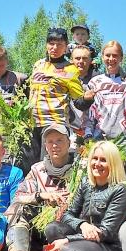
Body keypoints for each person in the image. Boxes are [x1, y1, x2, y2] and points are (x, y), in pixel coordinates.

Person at [44, 141, 126, 251]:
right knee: (52, 229)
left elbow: (105, 232)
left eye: (103, 160)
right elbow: (67, 215)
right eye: (95, 158)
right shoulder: (86, 184)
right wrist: (82, 225)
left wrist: (68, 240)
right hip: (86, 244)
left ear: (113, 163)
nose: (97, 164)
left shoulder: (120, 190)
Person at [0, 124, 74, 251]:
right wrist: (42, 196)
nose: (55, 145)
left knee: (67, 214)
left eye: (59, 140)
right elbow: (19, 196)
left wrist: (66, 201)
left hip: (66, 226)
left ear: (69, 143)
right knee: (17, 208)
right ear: (45, 145)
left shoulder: (80, 167)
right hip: (39, 226)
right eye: (50, 141)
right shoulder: (38, 169)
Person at [85, 41, 126, 177]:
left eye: (115, 56)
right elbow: (90, 114)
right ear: (102, 57)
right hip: (101, 141)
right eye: (107, 55)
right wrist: (88, 136)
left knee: (124, 184)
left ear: (121, 58)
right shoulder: (95, 82)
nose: (111, 59)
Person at [25, 28, 84, 168]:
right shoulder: (38, 64)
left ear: (66, 46)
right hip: (33, 123)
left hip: (54, 123)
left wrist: (88, 99)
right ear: (46, 44)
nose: (55, 48)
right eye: (51, 43)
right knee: (30, 165)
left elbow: (79, 101)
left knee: (49, 165)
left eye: (60, 44)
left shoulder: (71, 69)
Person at [69, 44, 98, 140]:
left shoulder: (99, 80)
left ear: (90, 61)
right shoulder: (63, 80)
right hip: (70, 132)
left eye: (84, 58)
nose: (81, 61)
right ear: (71, 60)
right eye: (77, 58)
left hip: (94, 133)